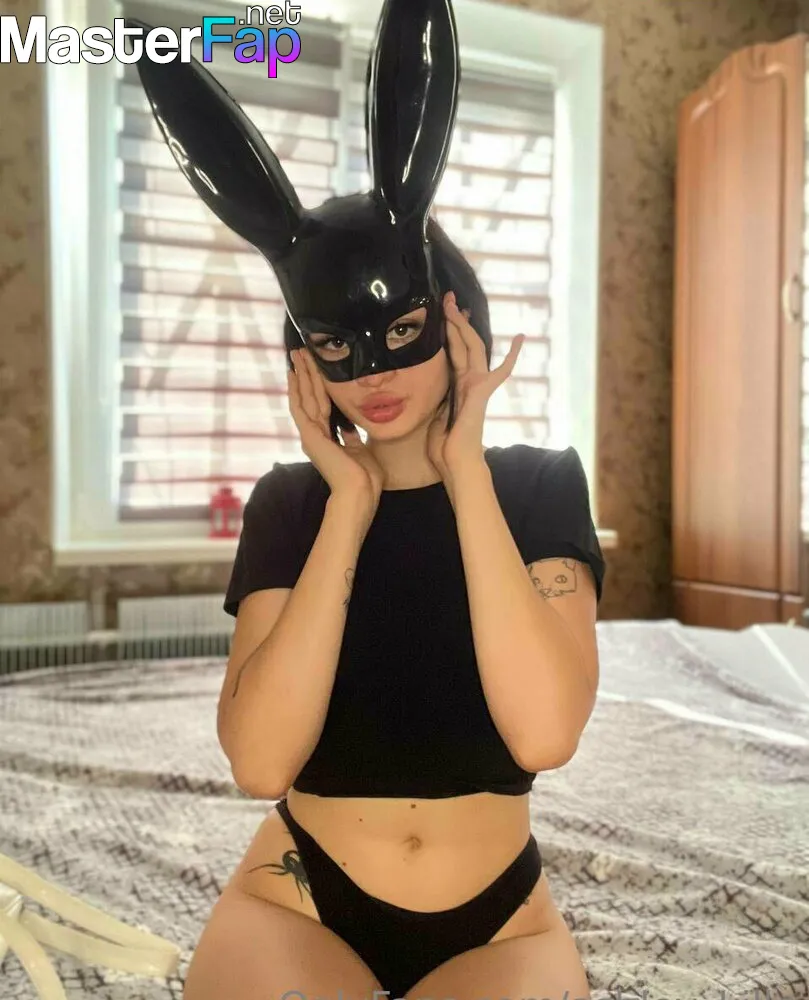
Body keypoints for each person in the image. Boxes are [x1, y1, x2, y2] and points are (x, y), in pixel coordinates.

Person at [129, 1, 605, 996]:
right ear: (304, 358)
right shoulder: (290, 503)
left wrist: (465, 468)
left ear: (455, 318)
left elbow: (544, 734)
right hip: (299, 894)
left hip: (499, 920)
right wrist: (345, 501)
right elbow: (260, 762)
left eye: (398, 334)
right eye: (335, 347)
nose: (373, 372)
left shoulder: (538, 482)